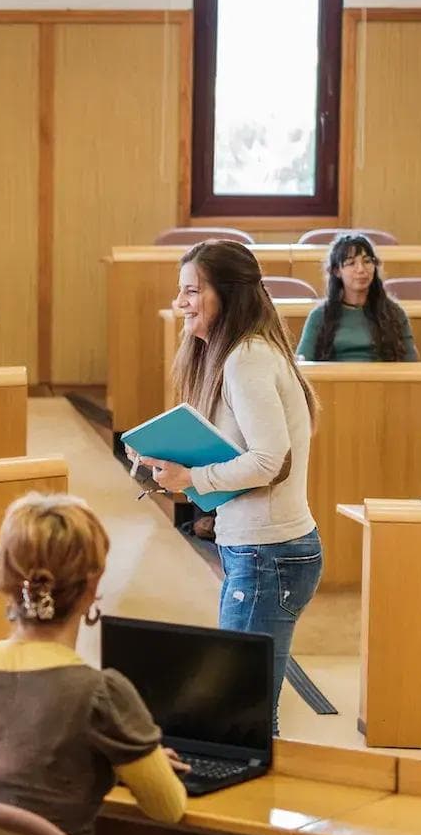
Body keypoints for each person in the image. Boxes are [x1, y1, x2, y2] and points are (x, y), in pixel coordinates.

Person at [0, 493, 187, 835]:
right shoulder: (102, 695)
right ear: (93, 584)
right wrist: (117, 765)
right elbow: (168, 809)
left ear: (4, 576)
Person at [130, 240, 321, 733]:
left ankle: (258, 804)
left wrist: (192, 478)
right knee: (246, 709)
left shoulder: (247, 358)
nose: (181, 303)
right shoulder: (240, 353)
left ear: (229, 295)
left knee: (241, 716)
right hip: (261, 549)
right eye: (181, 292)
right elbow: (239, 448)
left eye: (193, 291)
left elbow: (268, 459)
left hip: (268, 553)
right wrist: (173, 461)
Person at [295, 234, 418, 362]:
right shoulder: (319, 316)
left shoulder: (393, 313)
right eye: (351, 263)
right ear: (337, 271)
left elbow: (411, 362)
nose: (361, 269)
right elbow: (303, 363)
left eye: (367, 261)